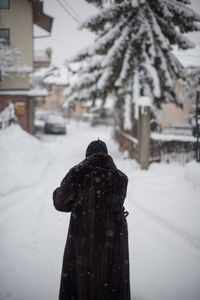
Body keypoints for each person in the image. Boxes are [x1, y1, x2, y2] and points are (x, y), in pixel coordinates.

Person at [53, 139, 130, 300]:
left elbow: (60, 203)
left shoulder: (77, 173)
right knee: (111, 282)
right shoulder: (120, 178)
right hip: (113, 242)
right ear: (107, 156)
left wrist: (66, 197)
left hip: (83, 242)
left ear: (87, 155)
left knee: (81, 283)